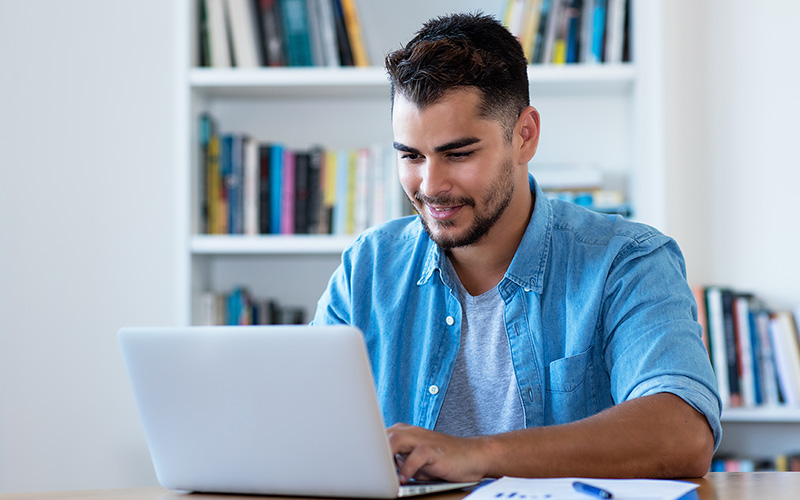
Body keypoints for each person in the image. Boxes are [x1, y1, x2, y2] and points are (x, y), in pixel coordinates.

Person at [312, 12, 721, 482]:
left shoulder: (626, 262)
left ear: (524, 135)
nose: (430, 185)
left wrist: (477, 454)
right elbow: (303, 421)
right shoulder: (368, 266)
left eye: (458, 153)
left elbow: (682, 436)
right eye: (410, 156)